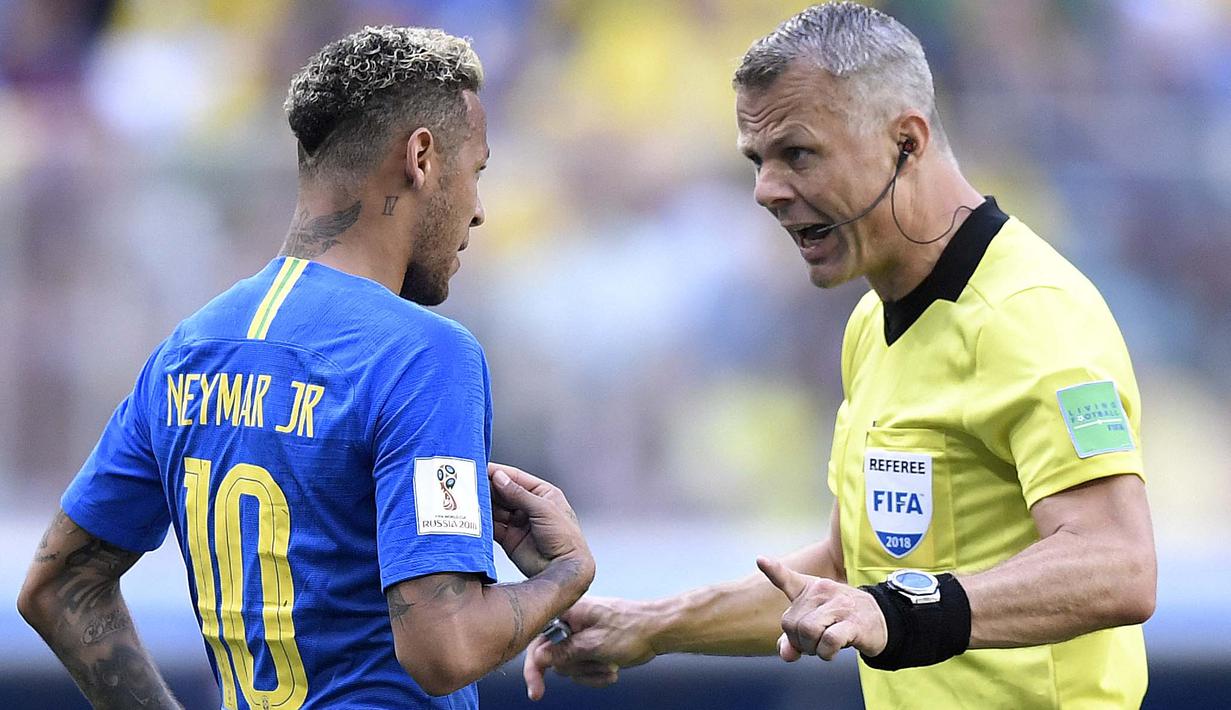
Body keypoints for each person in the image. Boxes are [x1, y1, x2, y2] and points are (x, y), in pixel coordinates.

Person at [521, 3, 1156, 708]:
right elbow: (851, 573)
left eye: (797, 153)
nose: (765, 190)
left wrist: (902, 612)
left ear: (905, 144)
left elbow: (1115, 564)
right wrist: (650, 624)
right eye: (756, 161)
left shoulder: (1028, 314)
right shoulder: (870, 323)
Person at [17, 26, 594, 710]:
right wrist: (565, 573)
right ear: (420, 157)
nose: (478, 209)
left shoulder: (189, 350)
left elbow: (60, 586)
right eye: (477, 170)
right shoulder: (420, 353)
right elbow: (447, 648)